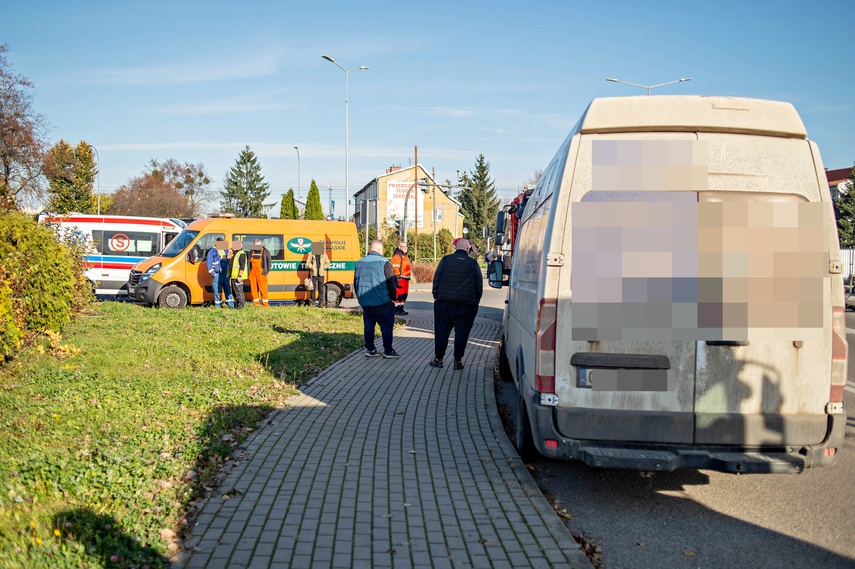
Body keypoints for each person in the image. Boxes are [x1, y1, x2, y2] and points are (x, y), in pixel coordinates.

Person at [430, 238, 483, 370]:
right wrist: (475, 302)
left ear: (456, 248)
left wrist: (436, 297)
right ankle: (457, 361)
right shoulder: (473, 264)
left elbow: (437, 279)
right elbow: (478, 286)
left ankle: (438, 359)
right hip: (466, 306)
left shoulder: (445, 260)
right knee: (462, 334)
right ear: (468, 249)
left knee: (441, 332)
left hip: (444, 303)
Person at [354, 239, 400, 359]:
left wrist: (360, 297)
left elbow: (355, 282)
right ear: (379, 249)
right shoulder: (384, 262)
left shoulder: (359, 262)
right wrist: (393, 298)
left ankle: (370, 349)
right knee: (386, 326)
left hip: (365, 301)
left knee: (369, 325)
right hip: (383, 301)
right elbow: (391, 282)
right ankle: (388, 350)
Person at [207, 237, 233, 308]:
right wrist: (214, 274)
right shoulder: (212, 251)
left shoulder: (225, 250)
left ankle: (231, 305)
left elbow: (229, 260)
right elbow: (209, 264)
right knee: (217, 290)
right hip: (217, 274)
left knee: (228, 289)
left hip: (225, 273)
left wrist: (230, 253)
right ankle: (218, 305)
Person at [305, 242, 331, 307]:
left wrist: (323, 267)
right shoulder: (311, 254)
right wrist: (312, 267)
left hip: (321, 274)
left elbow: (328, 263)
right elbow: (308, 263)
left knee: (321, 289)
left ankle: (321, 303)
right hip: (314, 273)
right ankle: (313, 302)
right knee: (312, 289)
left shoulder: (324, 254)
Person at [390, 240, 412, 315]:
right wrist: (398, 276)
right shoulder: (397, 256)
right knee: (399, 295)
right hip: (400, 278)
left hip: (406, 278)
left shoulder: (405, 256)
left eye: (406, 246)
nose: (405, 248)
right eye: (403, 246)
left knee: (404, 294)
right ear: (399, 247)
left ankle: (401, 309)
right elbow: (395, 267)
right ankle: (396, 310)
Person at [248, 238, 271, 307]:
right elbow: (248, 262)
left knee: (263, 289)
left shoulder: (265, 251)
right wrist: (248, 272)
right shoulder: (251, 251)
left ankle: (265, 304)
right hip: (252, 273)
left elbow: (269, 262)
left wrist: (266, 271)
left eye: (259, 244)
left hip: (261, 273)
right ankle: (256, 304)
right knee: (253, 289)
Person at [229, 240, 248, 309]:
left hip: (238, 276)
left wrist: (240, 276)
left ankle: (241, 306)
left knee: (239, 292)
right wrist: (230, 253)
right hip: (234, 276)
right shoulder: (235, 253)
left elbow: (242, 265)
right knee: (234, 292)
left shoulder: (241, 254)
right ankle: (237, 305)